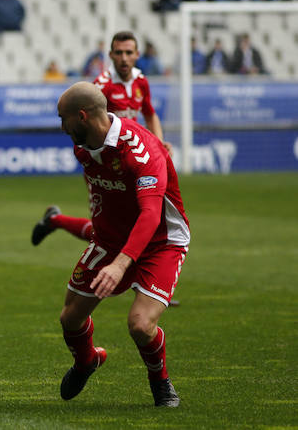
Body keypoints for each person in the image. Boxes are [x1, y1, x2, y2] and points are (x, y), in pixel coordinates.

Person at [52, 82, 188, 407]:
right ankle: (87, 360)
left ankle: (160, 382)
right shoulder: (83, 147)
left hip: (160, 242)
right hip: (110, 242)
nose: (61, 127)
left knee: (140, 325)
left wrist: (120, 264)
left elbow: (151, 214)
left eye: (63, 118)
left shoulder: (142, 151)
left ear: (82, 116)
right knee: (70, 318)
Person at [32, 31, 179, 306]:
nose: (124, 58)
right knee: (107, 231)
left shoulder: (141, 81)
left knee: (134, 221)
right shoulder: (101, 86)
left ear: (137, 55)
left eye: (129, 52)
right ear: (110, 55)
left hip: (133, 160)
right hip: (105, 163)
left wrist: (157, 144)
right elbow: (93, 127)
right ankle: (57, 221)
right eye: (118, 53)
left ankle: (150, 285)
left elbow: (149, 113)